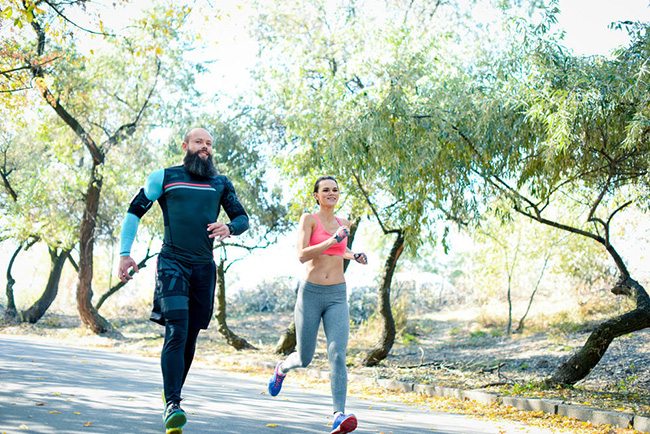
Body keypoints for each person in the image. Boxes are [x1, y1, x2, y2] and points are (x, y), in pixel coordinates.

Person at [117, 127, 249, 434]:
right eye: (199, 142)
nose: (205, 147)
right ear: (185, 145)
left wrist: (230, 227)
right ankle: (173, 404)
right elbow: (134, 212)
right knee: (176, 330)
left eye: (209, 143)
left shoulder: (220, 182)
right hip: (172, 263)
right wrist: (126, 253)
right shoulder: (163, 177)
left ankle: (171, 393)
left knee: (190, 335)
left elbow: (242, 218)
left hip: (203, 268)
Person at [267, 175, 367, 434]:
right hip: (310, 293)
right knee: (304, 357)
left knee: (337, 354)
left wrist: (352, 254)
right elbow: (302, 254)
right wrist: (333, 240)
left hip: (337, 294)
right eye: (326, 190)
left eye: (335, 190)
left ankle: (338, 415)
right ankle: (282, 368)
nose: (332, 193)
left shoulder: (344, 223)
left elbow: (337, 251)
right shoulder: (308, 219)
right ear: (317, 195)